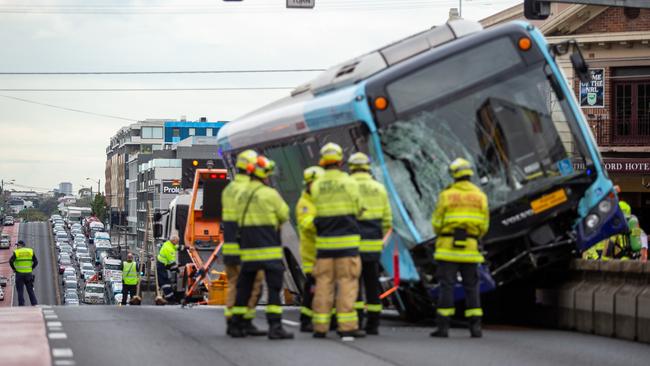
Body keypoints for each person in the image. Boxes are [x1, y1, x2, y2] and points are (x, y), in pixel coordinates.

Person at [230, 156, 293, 340]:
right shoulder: (270, 194)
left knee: (245, 288)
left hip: (248, 252)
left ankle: (236, 324)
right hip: (270, 251)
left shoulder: (241, 195)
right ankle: (275, 327)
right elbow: (284, 215)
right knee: (274, 289)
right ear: (263, 175)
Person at [310, 142, 365, 340]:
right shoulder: (350, 183)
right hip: (347, 246)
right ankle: (347, 327)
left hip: (324, 246)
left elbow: (314, 209)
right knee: (347, 285)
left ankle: (320, 327)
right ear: (341, 161)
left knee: (324, 284)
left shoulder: (316, 185)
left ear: (323, 162)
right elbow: (359, 208)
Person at [430, 158, 489, 338]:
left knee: (447, 286)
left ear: (454, 175)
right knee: (472, 287)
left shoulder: (446, 195)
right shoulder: (480, 196)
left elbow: (437, 224)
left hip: (447, 248)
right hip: (470, 249)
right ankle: (475, 327)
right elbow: (484, 226)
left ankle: (443, 327)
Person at [221, 149, 266, 336]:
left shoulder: (229, 188)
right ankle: (244, 321)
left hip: (230, 247)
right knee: (253, 285)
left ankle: (233, 320)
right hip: (247, 247)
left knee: (234, 284)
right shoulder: (251, 190)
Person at [348, 152, 392, 335]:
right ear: (367, 167)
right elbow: (387, 221)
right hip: (373, 245)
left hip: (352, 245)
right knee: (372, 284)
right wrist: (381, 241)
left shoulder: (347, 187)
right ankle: (373, 324)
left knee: (355, 286)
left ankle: (358, 320)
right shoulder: (379, 188)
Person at [296, 165, 325, 332]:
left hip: (326, 252)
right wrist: (321, 222)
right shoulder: (304, 203)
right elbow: (306, 224)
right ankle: (306, 319)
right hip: (312, 254)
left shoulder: (323, 201)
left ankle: (329, 319)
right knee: (312, 288)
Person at [10, 240, 38, 306]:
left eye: (18, 245)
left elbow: (10, 261)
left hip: (19, 274)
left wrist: (14, 269)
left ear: (21, 245)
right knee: (30, 291)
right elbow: (36, 261)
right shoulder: (30, 251)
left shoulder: (16, 252)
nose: (17, 246)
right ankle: (34, 304)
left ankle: (21, 306)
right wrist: (31, 268)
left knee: (20, 292)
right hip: (28, 274)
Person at [156, 235, 179, 303]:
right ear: (173, 241)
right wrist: (177, 270)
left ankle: (167, 298)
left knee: (164, 282)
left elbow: (176, 247)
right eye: (177, 241)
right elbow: (172, 263)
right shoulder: (169, 249)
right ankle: (170, 299)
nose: (177, 243)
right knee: (166, 283)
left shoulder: (168, 244)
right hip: (161, 266)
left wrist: (185, 247)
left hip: (162, 265)